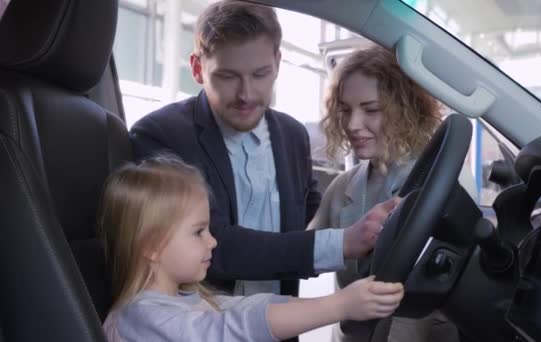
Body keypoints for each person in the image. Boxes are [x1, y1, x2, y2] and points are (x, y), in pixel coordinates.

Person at [129, 0, 400, 308]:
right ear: (197, 69)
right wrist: (343, 242)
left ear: (278, 63)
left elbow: (308, 217)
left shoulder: (292, 136)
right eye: (228, 76)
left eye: (260, 74)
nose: (246, 94)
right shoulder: (161, 136)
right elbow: (215, 248)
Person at [100, 156, 405, 342]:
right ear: (152, 246)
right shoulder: (141, 318)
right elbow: (231, 328)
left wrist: (340, 302)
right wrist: (340, 306)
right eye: (198, 232)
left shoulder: (181, 300)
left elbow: (250, 308)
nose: (213, 241)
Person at [308, 45, 460, 342]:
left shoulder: (440, 181)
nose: (353, 125)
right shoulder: (341, 189)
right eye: (345, 110)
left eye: (371, 110)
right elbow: (304, 252)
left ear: (404, 110)